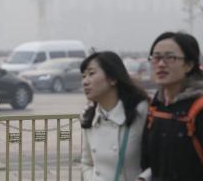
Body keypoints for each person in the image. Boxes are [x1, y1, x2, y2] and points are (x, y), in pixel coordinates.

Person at [139, 32, 203, 181]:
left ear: (189, 65)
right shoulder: (156, 108)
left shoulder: (198, 109)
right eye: (156, 57)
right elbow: (149, 162)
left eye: (170, 57)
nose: (161, 64)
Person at [80, 51, 149, 181]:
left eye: (91, 74)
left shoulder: (141, 111)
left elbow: (159, 159)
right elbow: (87, 162)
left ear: (112, 78)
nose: (85, 82)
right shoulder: (88, 116)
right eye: (83, 76)